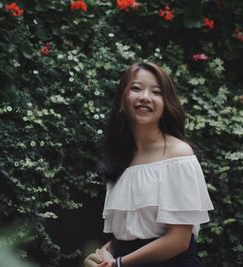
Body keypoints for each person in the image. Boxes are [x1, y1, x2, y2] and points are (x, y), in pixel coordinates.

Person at [84, 62, 214, 267]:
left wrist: (117, 264)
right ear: (122, 100)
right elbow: (132, 230)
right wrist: (105, 253)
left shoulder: (178, 154)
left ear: (165, 104)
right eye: (136, 88)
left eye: (156, 92)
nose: (145, 97)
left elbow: (178, 241)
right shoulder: (120, 159)